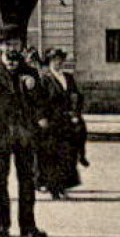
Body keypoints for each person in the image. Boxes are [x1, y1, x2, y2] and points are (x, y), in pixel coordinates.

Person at [0, 24, 48, 237]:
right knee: (0, 181)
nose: (11, 48)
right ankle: (2, 226)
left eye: (15, 43)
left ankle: (28, 226)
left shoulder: (31, 72)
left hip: (24, 135)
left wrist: (33, 90)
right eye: (7, 44)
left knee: (27, 180)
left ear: (22, 46)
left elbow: (40, 105)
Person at [37, 49, 83, 199]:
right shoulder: (45, 79)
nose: (58, 63)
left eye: (60, 60)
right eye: (54, 60)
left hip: (66, 122)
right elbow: (39, 101)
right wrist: (41, 117)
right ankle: (54, 188)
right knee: (52, 155)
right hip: (51, 122)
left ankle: (64, 186)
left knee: (67, 155)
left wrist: (75, 113)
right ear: (49, 62)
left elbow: (77, 97)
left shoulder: (68, 78)